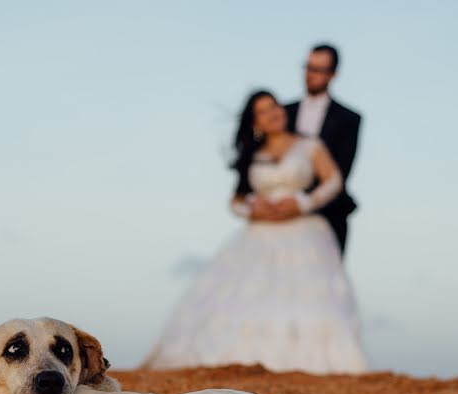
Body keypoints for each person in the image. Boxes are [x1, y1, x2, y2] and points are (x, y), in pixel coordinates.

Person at [141, 91, 368, 374]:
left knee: (305, 300)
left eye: (274, 106)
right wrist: (252, 208)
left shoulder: (309, 145)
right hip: (259, 233)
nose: (272, 113)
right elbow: (235, 200)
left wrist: (303, 202)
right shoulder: (252, 156)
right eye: (263, 111)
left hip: (304, 231)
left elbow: (333, 180)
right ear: (255, 122)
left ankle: (306, 368)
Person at [284, 43, 360, 254]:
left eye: (318, 70)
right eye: (307, 67)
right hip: (281, 221)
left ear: (333, 74)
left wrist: (303, 203)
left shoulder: (349, 119)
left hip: (327, 218)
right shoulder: (282, 113)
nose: (309, 75)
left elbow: (341, 171)